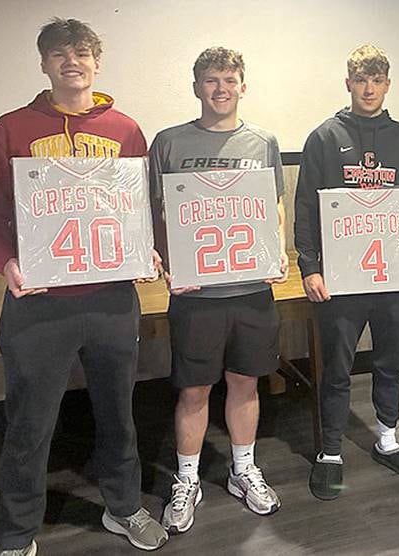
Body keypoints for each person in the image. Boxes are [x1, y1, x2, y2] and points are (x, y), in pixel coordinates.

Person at [0, 18, 168, 555]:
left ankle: (123, 507)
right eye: (58, 53)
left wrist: (145, 247)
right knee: (29, 425)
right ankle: (17, 534)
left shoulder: (126, 129)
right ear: (44, 63)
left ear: (96, 62)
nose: (70, 61)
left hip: (110, 301)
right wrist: (5, 261)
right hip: (37, 304)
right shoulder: (11, 128)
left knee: (118, 413)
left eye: (81, 52)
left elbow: (139, 209)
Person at [149, 46, 288, 532]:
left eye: (229, 79)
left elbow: (274, 206)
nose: (220, 89)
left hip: (251, 289)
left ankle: (243, 469)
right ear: (196, 87)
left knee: (246, 382)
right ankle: (187, 479)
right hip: (196, 294)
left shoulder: (264, 141)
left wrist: (280, 251)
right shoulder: (168, 142)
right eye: (210, 80)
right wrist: (168, 262)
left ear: (243, 86)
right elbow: (157, 213)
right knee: (194, 390)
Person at [294, 44, 399, 500]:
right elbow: (305, 209)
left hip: (395, 277)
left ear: (387, 85)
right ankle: (331, 451)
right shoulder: (323, 137)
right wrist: (310, 267)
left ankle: (388, 439)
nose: (369, 87)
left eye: (377, 80)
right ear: (349, 83)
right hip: (340, 280)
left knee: (391, 361)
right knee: (336, 367)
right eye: (361, 79)